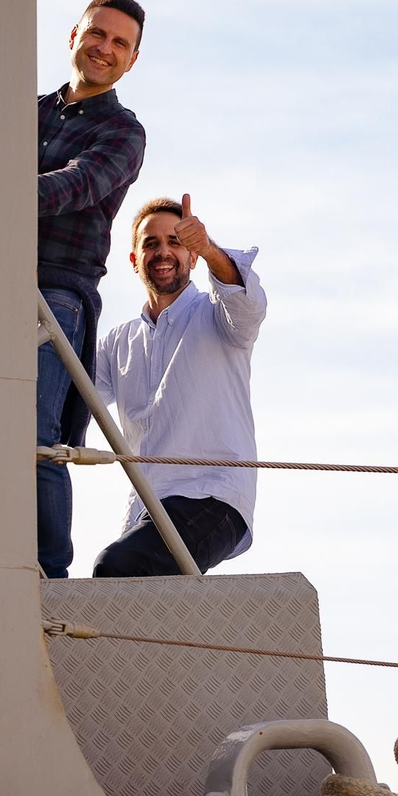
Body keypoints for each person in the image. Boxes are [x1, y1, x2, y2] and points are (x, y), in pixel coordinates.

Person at [92, 195, 266, 576]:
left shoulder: (219, 316)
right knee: (110, 585)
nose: (163, 252)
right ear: (135, 261)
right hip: (145, 512)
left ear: (192, 257)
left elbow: (247, 303)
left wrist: (209, 247)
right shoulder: (116, 343)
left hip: (213, 495)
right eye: (150, 244)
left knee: (116, 568)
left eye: (176, 242)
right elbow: (74, 394)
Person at [36, 0, 147, 578]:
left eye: (119, 43)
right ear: (73, 36)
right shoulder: (19, 112)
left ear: (131, 60)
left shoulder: (124, 132)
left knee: (36, 441)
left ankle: (49, 576)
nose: (104, 48)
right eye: (96, 34)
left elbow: (79, 185)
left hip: (55, 292)